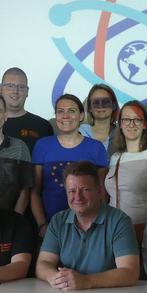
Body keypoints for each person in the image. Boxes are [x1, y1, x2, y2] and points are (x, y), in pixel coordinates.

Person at [36, 161, 139, 290]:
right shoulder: (58, 221)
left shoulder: (120, 221)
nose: (77, 197)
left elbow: (130, 273)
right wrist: (54, 277)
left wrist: (86, 281)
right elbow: (43, 263)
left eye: (85, 190)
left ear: (100, 191)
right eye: (72, 191)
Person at [31, 94, 108, 236]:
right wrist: (42, 225)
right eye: (60, 111)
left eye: (71, 111)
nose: (65, 116)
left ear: (81, 116)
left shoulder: (96, 148)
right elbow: (35, 191)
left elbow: (102, 192)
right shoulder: (43, 145)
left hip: (89, 228)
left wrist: (98, 226)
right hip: (50, 228)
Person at [105, 100, 147, 239]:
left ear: (145, 124)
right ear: (120, 124)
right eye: (126, 119)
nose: (131, 124)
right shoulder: (116, 157)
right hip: (114, 230)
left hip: (144, 232)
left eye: (137, 120)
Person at [0, 67, 53, 152]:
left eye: (21, 87)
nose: (15, 91)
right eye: (10, 86)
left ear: (27, 91)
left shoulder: (43, 126)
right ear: (1, 89)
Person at [79, 84, 119, 153]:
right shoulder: (80, 133)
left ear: (114, 105)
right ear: (90, 108)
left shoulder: (122, 133)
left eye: (106, 101)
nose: (101, 106)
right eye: (96, 102)